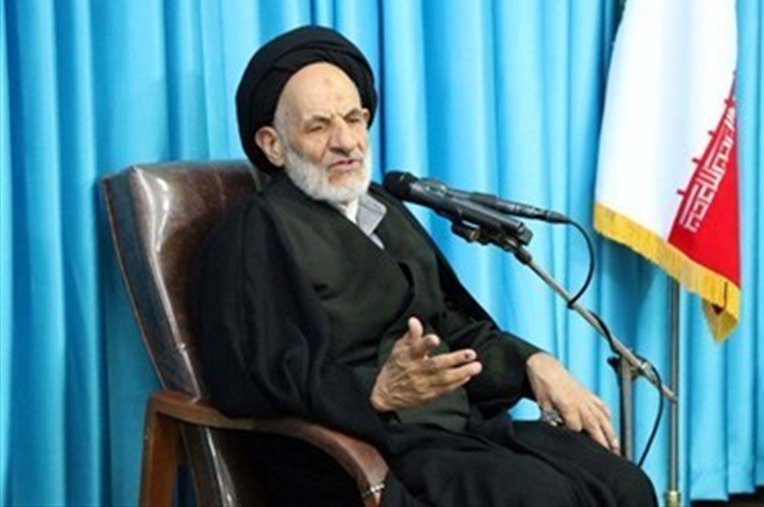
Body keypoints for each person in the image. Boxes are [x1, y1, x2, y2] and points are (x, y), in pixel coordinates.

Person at [191, 25, 656, 507]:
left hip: (462, 431)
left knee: (626, 484)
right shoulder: (256, 229)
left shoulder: (384, 208)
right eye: (319, 126)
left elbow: (451, 325)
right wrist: (374, 390)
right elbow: (251, 375)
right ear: (272, 144)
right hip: (373, 451)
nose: (346, 141)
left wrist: (532, 363)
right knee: (545, 498)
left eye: (353, 119)